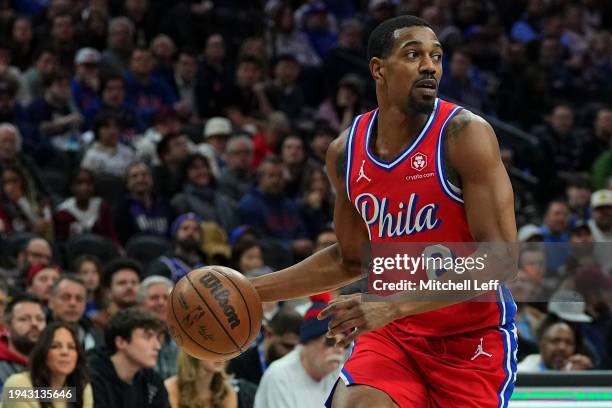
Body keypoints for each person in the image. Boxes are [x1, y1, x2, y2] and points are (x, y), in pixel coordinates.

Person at [250, 16, 518, 407]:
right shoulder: (345, 152)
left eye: (436, 56)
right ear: (378, 68)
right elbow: (351, 258)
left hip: (470, 339)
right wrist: (250, 291)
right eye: (413, 55)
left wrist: (392, 303)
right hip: (393, 334)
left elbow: (501, 258)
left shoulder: (464, 134)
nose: (430, 65)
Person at [254, 302, 345, 408]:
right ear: (307, 342)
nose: (339, 349)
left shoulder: (341, 374)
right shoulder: (279, 377)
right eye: (330, 342)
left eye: (344, 343)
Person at [88, 308, 169, 408]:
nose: (157, 346)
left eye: (157, 338)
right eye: (147, 337)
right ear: (121, 342)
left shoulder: (152, 381)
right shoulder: (87, 375)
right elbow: (65, 395)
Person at [0, 322, 93, 407]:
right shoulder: (18, 386)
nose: (65, 352)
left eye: (71, 347)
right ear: (42, 353)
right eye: (55, 346)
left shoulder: (81, 387)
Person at [227, 306, 302, 385]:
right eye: (287, 346)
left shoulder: (296, 367)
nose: (291, 354)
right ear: (269, 334)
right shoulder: (239, 363)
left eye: (295, 348)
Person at [165, 350, 257, 408]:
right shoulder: (169, 388)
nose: (220, 354)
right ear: (193, 349)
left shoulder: (228, 392)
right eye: (212, 348)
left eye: (223, 347)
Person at [136, 275, 177, 380]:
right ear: (140, 305)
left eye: (166, 298)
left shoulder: (181, 338)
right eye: (154, 298)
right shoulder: (132, 339)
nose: (161, 303)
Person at [47, 275, 103, 351]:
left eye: (79, 299)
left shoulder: (97, 338)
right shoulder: (38, 334)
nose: (73, 303)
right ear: (51, 302)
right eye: (66, 297)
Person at [517, 317, 593, 372]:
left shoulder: (577, 371)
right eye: (555, 341)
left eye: (569, 342)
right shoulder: (521, 373)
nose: (562, 348)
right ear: (541, 344)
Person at [0, 295, 46, 384]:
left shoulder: (54, 362)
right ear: (7, 328)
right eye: (24, 319)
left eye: (40, 319)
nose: (34, 324)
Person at [90, 258, 141, 333]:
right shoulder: (97, 324)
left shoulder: (148, 322)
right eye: (122, 283)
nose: (129, 287)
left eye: (134, 283)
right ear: (108, 292)